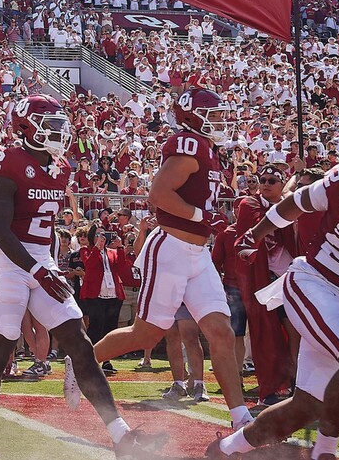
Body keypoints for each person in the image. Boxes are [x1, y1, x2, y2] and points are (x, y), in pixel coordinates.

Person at [0, 95, 165, 460]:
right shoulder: (7, 161)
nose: (59, 131)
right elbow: (1, 232)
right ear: (26, 126)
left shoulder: (62, 169)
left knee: (79, 341)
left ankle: (121, 436)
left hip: (42, 260)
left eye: (60, 124)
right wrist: (38, 269)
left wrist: (46, 264)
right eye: (50, 124)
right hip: (11, 262)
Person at [205, 148, 339, 459]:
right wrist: (255, 234)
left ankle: (226, 449)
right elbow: (298, 202)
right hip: (313, 280)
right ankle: (325, 452)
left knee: (306, 407)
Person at [91, 88, 251, 432]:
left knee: (221, 333)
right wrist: (201, 215)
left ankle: (241, 417)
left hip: (198, 254)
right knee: (146, 334)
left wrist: (205, 218)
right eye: (216, 112)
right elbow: (159, 195)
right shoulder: (188, 145)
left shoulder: (209, 148)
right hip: (172, 249)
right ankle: (84, 364)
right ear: (192, 115)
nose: (222, 119)